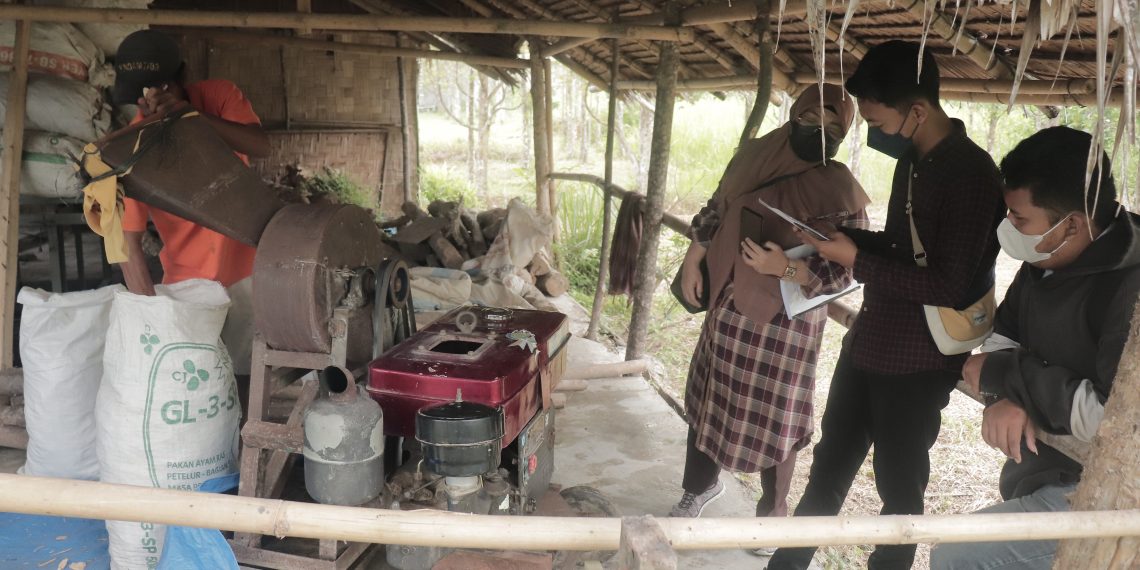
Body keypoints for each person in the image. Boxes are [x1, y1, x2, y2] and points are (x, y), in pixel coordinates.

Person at [768, 41, 1006, 569]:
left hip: (919, 364)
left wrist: (858, 259)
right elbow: (905, 250)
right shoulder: (915, 159)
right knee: (827, 474)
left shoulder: (971, 176)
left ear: (917, 111)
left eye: (879, 119)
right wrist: (848, 241)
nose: (876, 132)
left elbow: (947, 284)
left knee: (899, 498)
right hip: (872, 342)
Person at [929, 127, 1140, 569]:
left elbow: (1108, 420)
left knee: (957, 559)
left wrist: (1007, 377)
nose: (1009, 228)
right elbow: (1005, 335)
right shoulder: (1047, 259)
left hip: (1103, 493)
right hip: (1046, 469)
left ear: (1073, 224)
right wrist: (1003, 395)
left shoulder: (1129, 292)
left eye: (1019, 218)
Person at [670, 84, 871, 545]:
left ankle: (772, 512)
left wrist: (784, 267)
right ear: (793, 115)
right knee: (710, 398)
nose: (820, 133)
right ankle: (698, 488)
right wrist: (693, 258)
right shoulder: (753, 157)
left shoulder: (841, 189)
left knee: (779, 417)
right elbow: (716, 207)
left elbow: (854, 264)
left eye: (834, 127)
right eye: (810, 121)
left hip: (788, 327)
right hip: (727, 305)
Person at [112, 30, 270, 400]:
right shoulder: (133, 147)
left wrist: (192, 117)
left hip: (247, 268)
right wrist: (154, 317)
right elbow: (126, 243)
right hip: (188, 283)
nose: (148, 102)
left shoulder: (218, 97)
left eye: (159, 88)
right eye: (140, 95)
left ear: (181, 75)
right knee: (195, 388)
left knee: (245, 377)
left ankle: (242, 450)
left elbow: (260, 144)